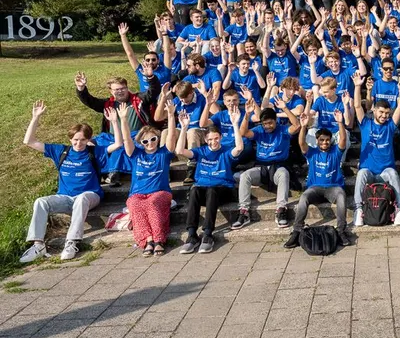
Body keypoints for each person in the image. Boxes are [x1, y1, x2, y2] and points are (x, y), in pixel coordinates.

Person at [21, 102, 120, 262]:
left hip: (90, 196)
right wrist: (35, 118)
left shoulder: (95, 152)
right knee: (40, 202)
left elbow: (118, 144)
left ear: (88, 140)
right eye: (75, 140)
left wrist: (115, 122)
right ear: (70, 138)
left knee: (81, 199)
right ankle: (38, 245)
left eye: (82, 140)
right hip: (65, 197)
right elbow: (29, 142)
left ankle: (71, 242)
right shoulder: (61, 151)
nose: (78, 143)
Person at [176, 108, 245, 254]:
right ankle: (192, 235)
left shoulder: (226, 150)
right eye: (210, 139)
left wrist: (235, 124)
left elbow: (239, 148)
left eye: (216, 138)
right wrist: (184, 128)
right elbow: (180, 151)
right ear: (205, 140)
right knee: (194, 189)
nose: (213, 142)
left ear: (220, 137)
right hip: (203, 189)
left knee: (212, 190)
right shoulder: (201, 151)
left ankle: (207, 234)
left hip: (222, 190)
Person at [283, 110, 352, 249]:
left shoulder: (335, 152)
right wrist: (303, 126)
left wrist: (340, 122)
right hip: (315, 188)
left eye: (327, 140)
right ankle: (297, 231)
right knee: (303, 198)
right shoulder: (312, 152)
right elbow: (301, 142)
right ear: (317, 141)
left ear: (331, 140)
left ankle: (341, 230)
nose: (325, 142)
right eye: (322, 140)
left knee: (341, 196)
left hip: (333, 187)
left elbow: (343, 140)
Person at [352, 72, 400, 227]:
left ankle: (398, 209)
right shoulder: (366, 124)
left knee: (393, 173)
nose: (384, 115)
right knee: (361, 174)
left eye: (387, 113)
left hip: (385, 171)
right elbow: (357, 106)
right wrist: (358, 87)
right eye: (381, 112)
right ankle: (358, 210)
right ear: (374, 111)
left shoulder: (390, 126)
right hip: (369, 171)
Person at [118, 101, 175, 256]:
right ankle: (147, 240)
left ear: (157, 139)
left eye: (153, 139)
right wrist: (123, 119)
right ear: (141, 143)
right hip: (137, 193)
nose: (149, 143)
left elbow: (171, 135)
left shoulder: (164, 153)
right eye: (145, 141)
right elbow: (126, 140)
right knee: (134, 204)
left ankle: (158, 240)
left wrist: (170, 115)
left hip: (160, 192)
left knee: (152, 203)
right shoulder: (136, 154)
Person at [234, 104, 301, 230]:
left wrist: (285, 108)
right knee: (245, 176)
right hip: (262, 167)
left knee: (284, 174)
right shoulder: (259, 130)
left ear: (276, 121)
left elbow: (296, 125)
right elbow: (243, 132)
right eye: (264, 124)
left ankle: (281, 209)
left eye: (270, 123)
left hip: (279, 166)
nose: (267, 126)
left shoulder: (283, 130)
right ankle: (244, 210)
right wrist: (247, 115)